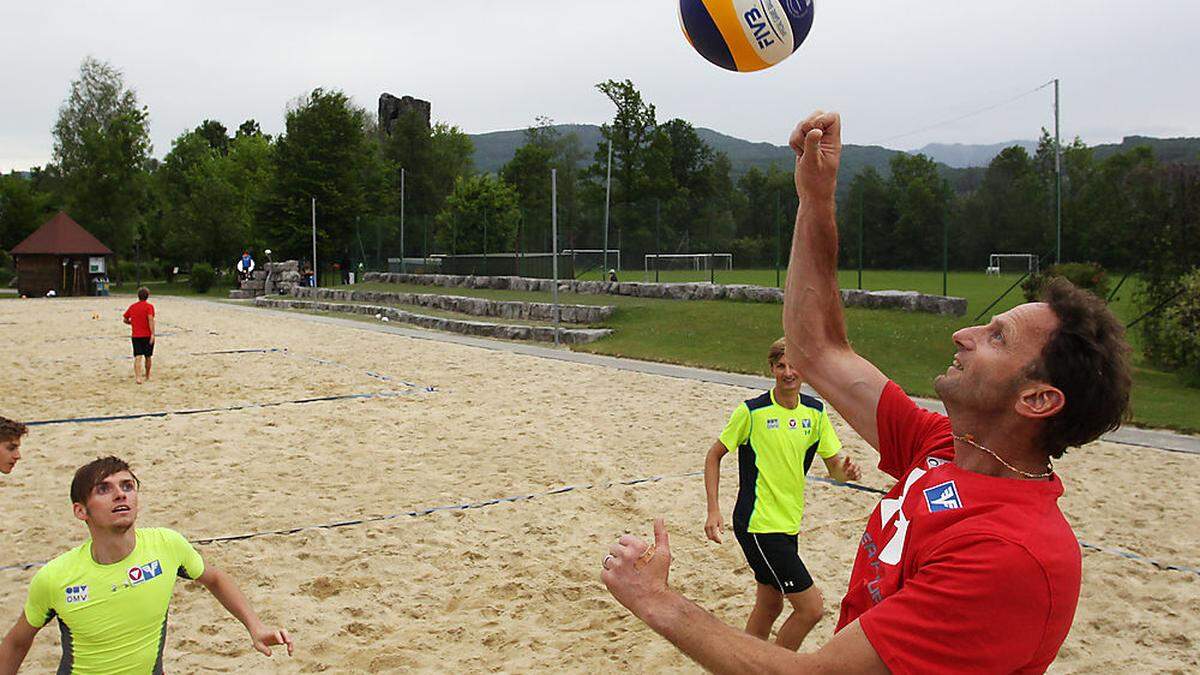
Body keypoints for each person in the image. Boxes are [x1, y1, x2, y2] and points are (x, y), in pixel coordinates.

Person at [601, 110, 1132, 673]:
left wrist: (656, 599)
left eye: (997, 337)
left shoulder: (1010, 553)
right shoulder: (947, 448)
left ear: (1038, 399)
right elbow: (818, 347)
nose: (964, 333)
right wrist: (816, 198)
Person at [0, 456, 293, 672]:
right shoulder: (55, 577)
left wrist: (254, 626)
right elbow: (16, 642)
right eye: (104, 489)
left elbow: (215, 578)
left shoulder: (167, 545)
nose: (120, 494)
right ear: (80, 511)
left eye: (128, 486)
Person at [704, 338, 861, 650]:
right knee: (811, 609)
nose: (788, 372)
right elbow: (713, 455)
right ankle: (774, 667)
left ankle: (745, 666)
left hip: (788, 522)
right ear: (772, 369)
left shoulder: (815, 413)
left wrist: (847, 473)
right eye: (781, 366)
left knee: (770, 605)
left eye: (794, 365)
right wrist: (713, 510)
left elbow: (835, 471)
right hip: (759, 525)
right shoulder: (752, 412)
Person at [123, 287, 155, 384]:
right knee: (148, 356)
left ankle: (138, 377)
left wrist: (132, 323)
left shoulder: (133, 307)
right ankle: (147, 375)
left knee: (138, 356)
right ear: (147, 296)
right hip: (147, 335)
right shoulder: (149, 307)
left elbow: (125, 319)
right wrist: (153, 334)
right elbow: (150, 319)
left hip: (136, 335)